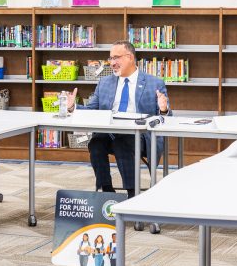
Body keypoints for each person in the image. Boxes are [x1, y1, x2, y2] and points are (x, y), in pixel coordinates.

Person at [67, 40, 171, 196]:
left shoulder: (154, 83)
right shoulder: (104, 82)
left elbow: (166, 118)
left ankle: (132, 193)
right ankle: (107, 191)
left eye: (116, 58)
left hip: (140, 136)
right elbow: (91, 110)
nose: (112, 63)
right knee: (96, 143)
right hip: (110, 133)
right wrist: (73, 107)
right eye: (110, 58)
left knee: (123, 142)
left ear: (130, 57)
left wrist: (163, 109)